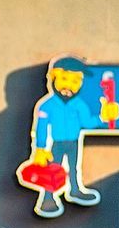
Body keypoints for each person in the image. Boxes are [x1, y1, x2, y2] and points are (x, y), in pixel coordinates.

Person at [18, 58, 100, 218]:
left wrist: (102, 118)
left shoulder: (79, 105)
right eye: (64, 79)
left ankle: (75, 191)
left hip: (74, 142)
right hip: (56, 143)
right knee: (51, 171)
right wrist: (40, 149)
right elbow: (40, 129)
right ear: (53, 78)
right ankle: (47, 199)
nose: (69, 86)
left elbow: (88, 123)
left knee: (73, 168)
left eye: (75, 81)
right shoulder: (47, 105)